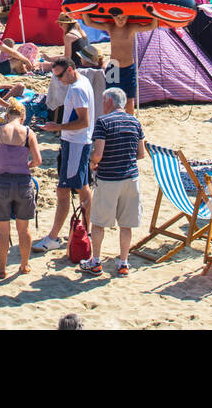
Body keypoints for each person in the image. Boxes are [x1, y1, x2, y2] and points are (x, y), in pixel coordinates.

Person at [32, 58, 95, 253]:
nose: (57, 80)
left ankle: (53, 237)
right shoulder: (82, 81)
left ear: (69, 70)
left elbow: (83, 121)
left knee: (64, 190)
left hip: (76, 143)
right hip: (78, 142)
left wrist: (57, 127)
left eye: (59, 75)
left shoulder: (77, 89)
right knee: (82, 187)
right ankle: (86, 229)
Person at [82, 88, 146, 276]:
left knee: (99, 222)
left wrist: (93, 161)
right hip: (131, 178)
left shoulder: (103, 122)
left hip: (109, 178)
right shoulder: (135, 121)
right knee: (126, 224)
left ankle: (95, 261)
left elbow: (99, 154)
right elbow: (141, 154)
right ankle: (123, 262)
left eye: (103, 101)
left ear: (109, 101)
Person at [0, 98, 40, 278]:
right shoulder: (29, 132)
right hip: (22, 182)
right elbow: (37, 160)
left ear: (7, 116)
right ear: (23, 116)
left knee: (3, 230)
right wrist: (25, 166)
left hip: (2, 181)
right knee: (24, 229)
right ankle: (24, 265)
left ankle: (2, 268)